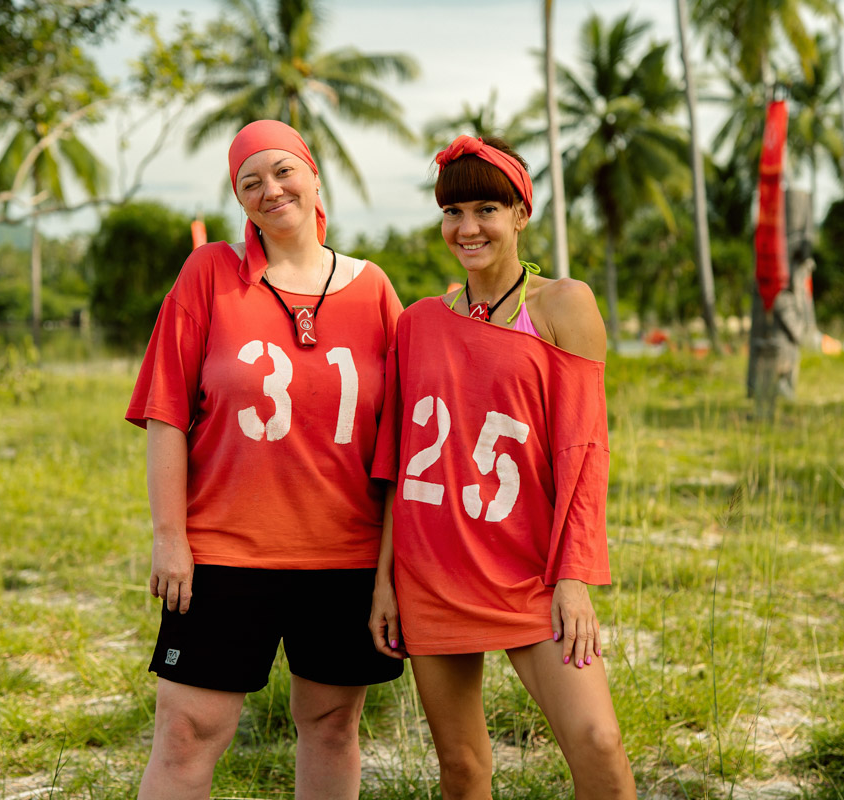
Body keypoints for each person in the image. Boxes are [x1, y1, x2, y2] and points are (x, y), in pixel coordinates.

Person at [126, 119, 404, 800]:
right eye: (250, 181)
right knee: (188, 731)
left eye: (283, 171)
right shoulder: (209, 274)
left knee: (333, 724)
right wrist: (170, 540)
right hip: (224, 550)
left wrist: (392, 572)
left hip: (345, 556)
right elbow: (166, 411)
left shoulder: (374, 291)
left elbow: (399, 445)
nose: (270, 189)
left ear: (313, 175)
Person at [369, 134, 635, 799]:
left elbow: (584, 451)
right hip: (432, 572)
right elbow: (400, 466)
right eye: (453, 212)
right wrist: (384, 581)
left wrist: (573, 576)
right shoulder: (417, 323)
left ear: (521, 214)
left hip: (529, 573)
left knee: (598, 744)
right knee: (462, 768)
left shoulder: (562, 307)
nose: (467, 228)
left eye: (486, 209)